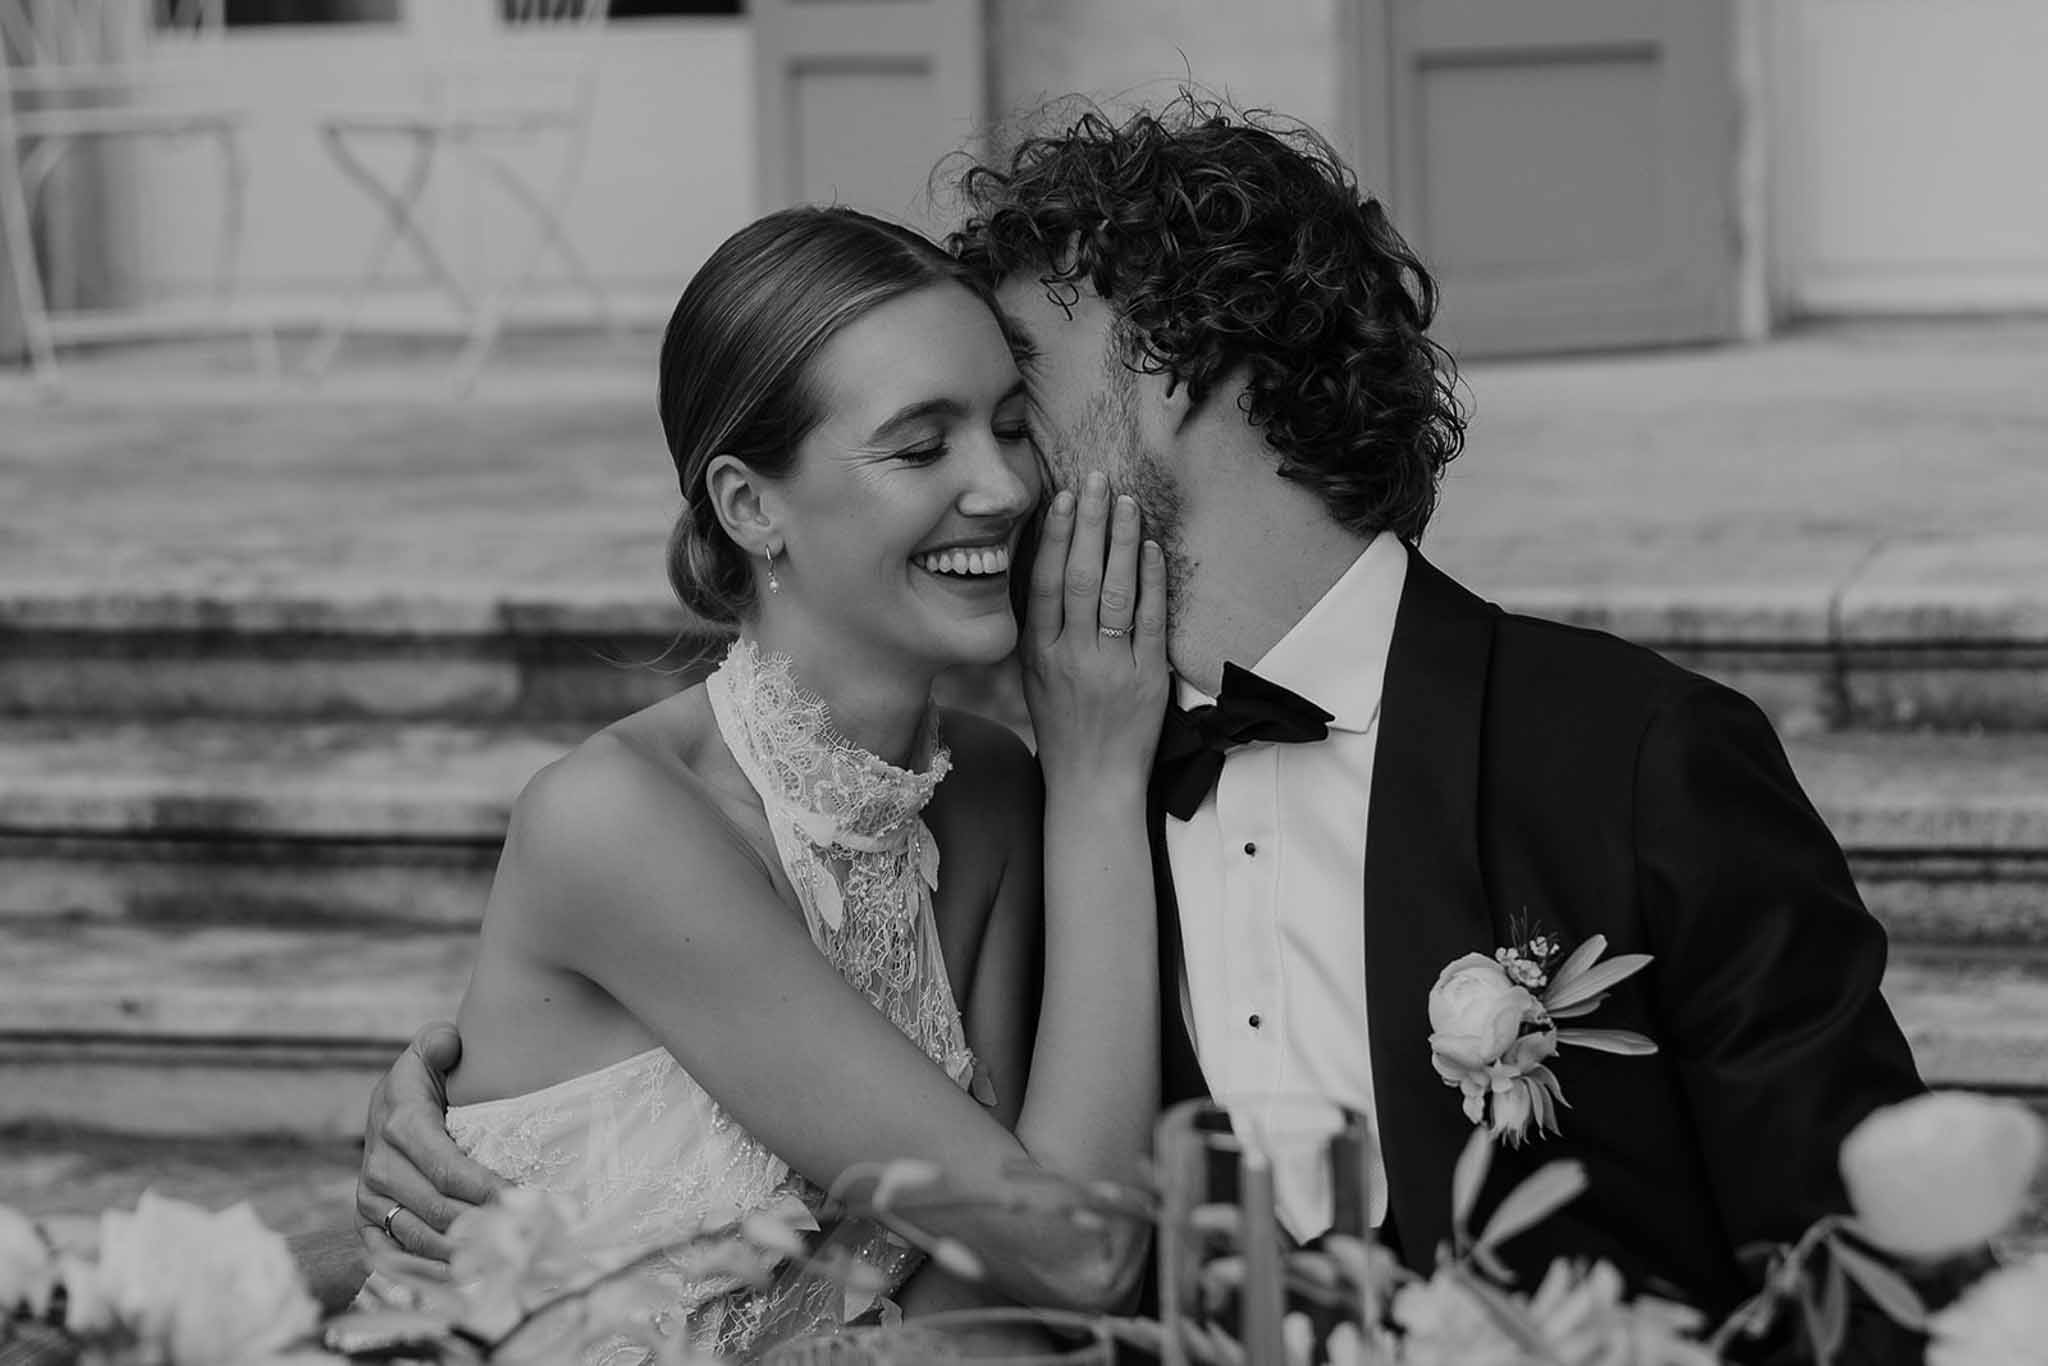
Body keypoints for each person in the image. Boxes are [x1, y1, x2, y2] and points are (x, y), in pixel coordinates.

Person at [362, 99, 1926, 1348]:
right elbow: (1044, 1236)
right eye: (943, 434)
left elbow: (1870, 1259)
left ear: (1176, 371)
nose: (1011, 475)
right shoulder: (1064, 790)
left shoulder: (1632, 760)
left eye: (1022, 398)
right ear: (747, 503)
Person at [354, 205, 1170, 1359]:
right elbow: (1075, 1252)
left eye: (1007, 426)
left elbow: (999, 1293)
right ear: (750, 507)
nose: (1003, 487)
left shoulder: (986, 793)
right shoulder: (615, 822)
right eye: (921, 445)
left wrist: (1075, 780)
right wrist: (1097, 783)